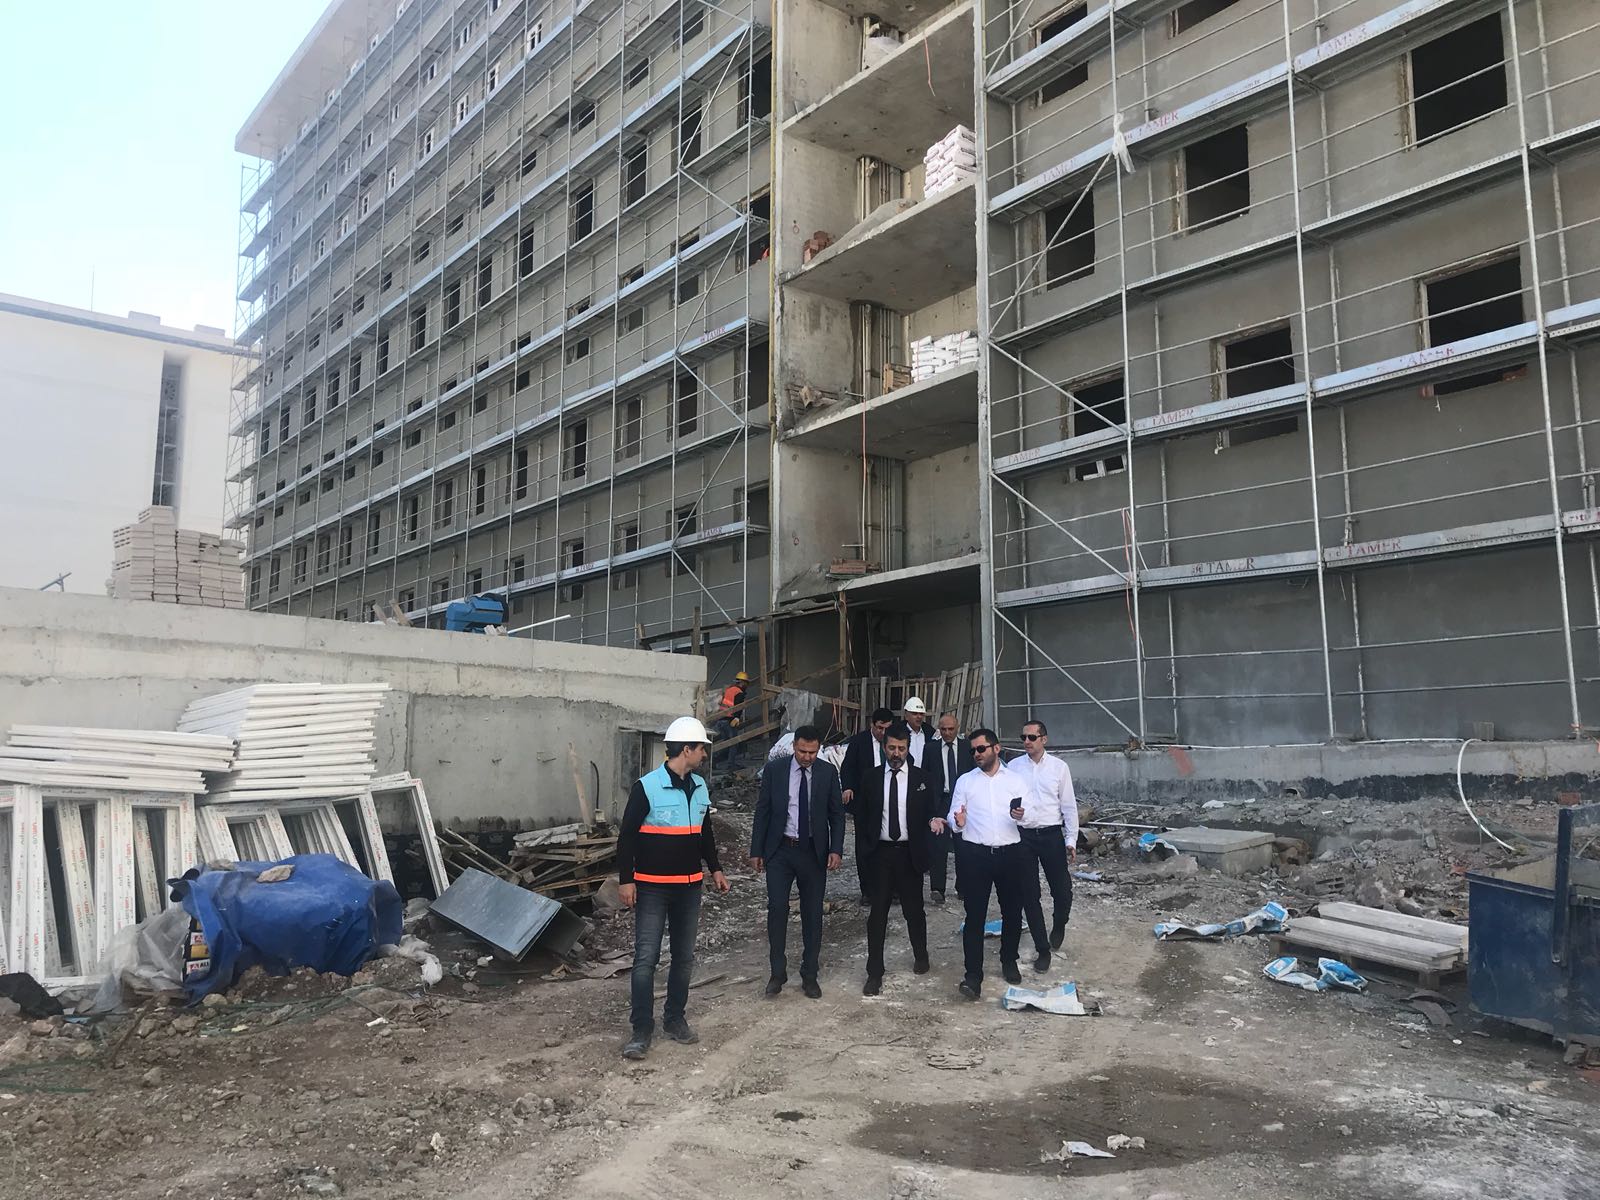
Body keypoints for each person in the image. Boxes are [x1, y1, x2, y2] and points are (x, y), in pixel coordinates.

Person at [615, 716, 730, 1060]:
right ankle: (641, 1030)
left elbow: (705, 833)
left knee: (683, 958)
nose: (705, 755)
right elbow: (627, 837)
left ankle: (675, 1019)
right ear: (686, 750)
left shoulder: (700, 787)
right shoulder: (647, 787)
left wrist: (716, 869)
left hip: (689, 888)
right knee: (646, 958)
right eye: (701, 749)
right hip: (652, 888)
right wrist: (626, 880)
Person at [930, 728, 1042, 1001]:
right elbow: (954, 814)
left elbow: (1033, 816)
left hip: (1010, 853)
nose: (976, 754)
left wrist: (1021, 815)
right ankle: (973, 975)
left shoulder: (1015, 780)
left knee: (1012, 912)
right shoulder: (966, 781)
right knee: (974, 916)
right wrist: (957, 822)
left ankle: (1008, 960)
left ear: (996, 748)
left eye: (981, 749)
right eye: (973, 751)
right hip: (975, 855)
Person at [749, 724, 845, 998]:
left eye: (812, 752)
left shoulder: (827, 772)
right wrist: (757, 850)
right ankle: (777, 972)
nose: (807, 757)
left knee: (812, 913)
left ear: (819, 749)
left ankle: (809, 974)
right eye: (802, 751)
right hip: (780, 850)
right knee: (777, 908)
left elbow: (836, 814)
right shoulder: (775, 770)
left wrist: (836, 849)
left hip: (813, 852)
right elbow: (763, 811)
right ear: (794, 747)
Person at [854, 723, 935, 995]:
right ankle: (874, 972)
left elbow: (931, 812)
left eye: (901, 748)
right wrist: (866, 851)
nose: (896, 753)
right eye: (891, 748)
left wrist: (933, 824)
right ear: (884, 747)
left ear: (908, 749)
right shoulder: (870, 778)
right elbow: (862, 817)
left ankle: (921, 955)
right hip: (881, 854)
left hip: (909, 854)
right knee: (877, 914)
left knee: (915, 911)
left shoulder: (922, 779)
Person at [1009, 718, 1079, 951]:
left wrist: (1071, 839)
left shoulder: (1059, 768)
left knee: (1062, 890)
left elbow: (1068, 806)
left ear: (1044, 739)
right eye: (1023, 737)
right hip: (1024, 836)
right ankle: (1041, 945)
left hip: (1051, 834)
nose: (1027, 742)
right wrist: (1013, 813)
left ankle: (1059, 924)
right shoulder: (1014, 767)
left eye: (1032, 737)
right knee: (1029, 893)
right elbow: (1006, 801)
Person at [840, 707, 893, 903]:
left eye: (887, 728)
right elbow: (848, 767)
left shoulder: (894, 742)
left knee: (890, 845)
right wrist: (848, 787)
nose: (883, 732)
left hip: (890, 800)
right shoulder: (859, 742)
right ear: (872, 725)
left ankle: (892, 889)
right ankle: (868, 891)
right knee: (864, 846)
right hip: (865, 802)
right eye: (880, 728)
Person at [919, 711, 972, 905]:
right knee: (937, 846)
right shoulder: (931, 749)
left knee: (963, 845)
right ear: (938, 730)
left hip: (962, 801)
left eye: (951, 729)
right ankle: (937, 889)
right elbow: (925, 775)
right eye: (943, 729)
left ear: (957, 728)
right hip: (940, 800)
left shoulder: (967, 747)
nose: (947, 733)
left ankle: (964, 887)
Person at [901, 697, 929, 763]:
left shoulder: (929, 732)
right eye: (915, 714)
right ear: (906, 715)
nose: (919, 717)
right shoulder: (898, 732)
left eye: (921, 714)